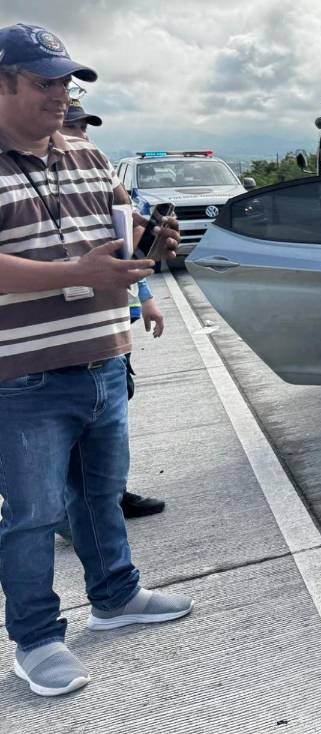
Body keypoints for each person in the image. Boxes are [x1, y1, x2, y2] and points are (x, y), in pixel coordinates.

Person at [0, 22, 193, 697]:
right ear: (3, 83)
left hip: (104, 363)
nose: (60, 94)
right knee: (33, 515)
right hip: (23, 381)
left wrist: (150, 239)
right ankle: (35, 641)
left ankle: (115, 597)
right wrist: (72, 273)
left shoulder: (88, 155)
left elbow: (120, 230)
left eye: (66, 82)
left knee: (99, 495)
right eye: (44, 81)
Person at [60, 100, 167, 518]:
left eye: (84, 127)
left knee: (115, 403)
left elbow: (126, 249)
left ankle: (108, 494)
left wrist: (146, 297)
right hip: (56, 341)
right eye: (74, 127)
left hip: (110, 326)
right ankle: (70, 508)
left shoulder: (98, 177)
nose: (81, 135)